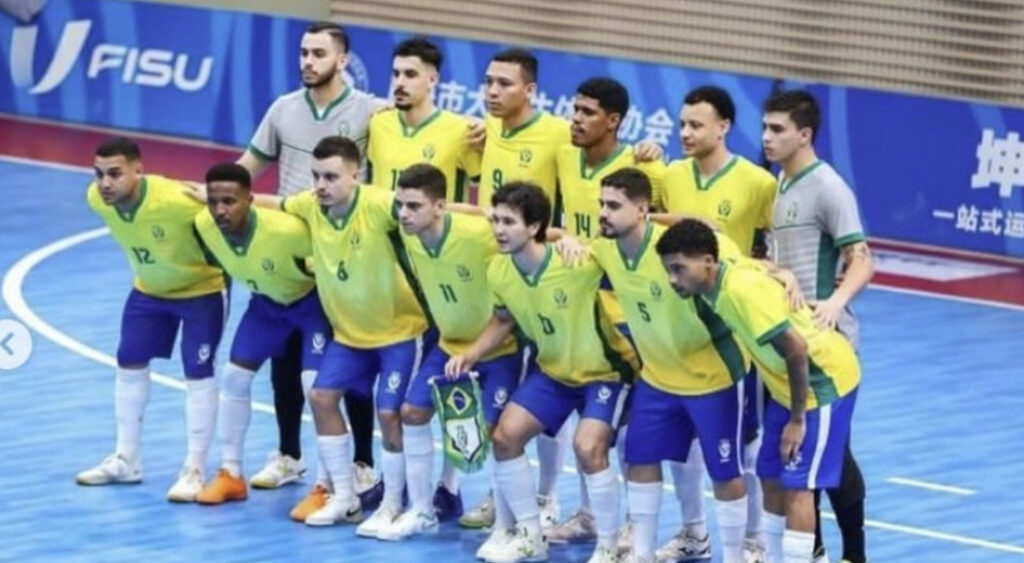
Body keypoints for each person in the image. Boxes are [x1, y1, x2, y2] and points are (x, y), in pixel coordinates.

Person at [446, 181, 639, 563]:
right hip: (553, 373)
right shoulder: (499, 270)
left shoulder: (578, 264)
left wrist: (572, 239)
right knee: (504, 437)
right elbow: (502, 319)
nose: (498, 229)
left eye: (509, 222)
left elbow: (629, 254)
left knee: (588, 448)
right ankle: (531, 534)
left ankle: (608, 547)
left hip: (605, 374)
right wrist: (471, 353)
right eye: (495, 220)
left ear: (534, 227)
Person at [252, 136, 430, 533]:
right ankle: (346, 497)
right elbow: (272, 204)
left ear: (357, 175)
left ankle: (394, 503)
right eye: (316, 176)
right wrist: (208, 197)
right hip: (350, 336)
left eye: (331, 176)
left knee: (390, 413)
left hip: (399, 333)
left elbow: (439, 214)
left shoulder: (381, 205)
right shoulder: (310, 206)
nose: (320, 184)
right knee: (321, 397)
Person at [657, 219, 861, 563]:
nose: (672, 280)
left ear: (707, 261)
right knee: (770, 476)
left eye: (679, 269)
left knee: (797, 486)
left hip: (822, 382)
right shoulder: (724, 265)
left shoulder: (740, 292)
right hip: (784, 386)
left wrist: (797, 420)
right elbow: (724, 234)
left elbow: (797, 349)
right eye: (668, 271)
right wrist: (782, 272)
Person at [237, 20, 380, 500]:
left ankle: (362, 462)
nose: (307, 62)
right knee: (285, 363)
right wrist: (214, 194)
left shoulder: (370, 114)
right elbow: (248, 168)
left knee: (349, 364)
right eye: (303, 52)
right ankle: (288, 456)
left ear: (342, 60)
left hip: (345, 257)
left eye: (318, 54)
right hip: (288, 258)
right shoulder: (283, 109)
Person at [591, 169, 750, 563]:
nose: (603, 213)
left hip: (713, 378)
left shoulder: (678, 249)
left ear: (643, 210)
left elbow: (742, 268)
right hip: (658, 378)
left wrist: (781, 273)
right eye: (601, 205)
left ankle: (734, 555)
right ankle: (642, 554)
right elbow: (557, 241)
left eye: (613, 206)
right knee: (640, 459)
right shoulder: (604, 250)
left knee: (725, 472)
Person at [659, 85, 777, 562]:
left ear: (724, 127)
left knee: (743, 447)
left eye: (696, 125)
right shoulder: (668, 175)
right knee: (679, 446)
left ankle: (752, 539)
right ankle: (693, 532)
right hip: (677, 333)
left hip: (734, 337)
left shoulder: (756, 183)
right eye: (682, 124)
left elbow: (776, 248)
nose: (685, 133)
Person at [548, 76, 666, 547]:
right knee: (587, 420)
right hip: (582, 310)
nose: (575, 119)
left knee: (637, 426)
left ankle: (641, 524)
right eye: (574, 110)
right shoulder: (561, 154)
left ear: (614, 121)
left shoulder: (642, 168)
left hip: (634, 316)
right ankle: (593, 514)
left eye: (587, 112)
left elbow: (671, 232)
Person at [377, 163, 525, 539]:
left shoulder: (479, 235)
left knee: (494, 435)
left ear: (440, 206)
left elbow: (530, 235)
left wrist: (568, 240)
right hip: (448, 346)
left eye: (414, 206)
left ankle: (507, 526)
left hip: (500, 349)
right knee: (411, 412)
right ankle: (424, 509)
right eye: (400, 205)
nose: (404, 215)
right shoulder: (409, 235)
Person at [76, 138, 225, 504]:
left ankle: (194, 469)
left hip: (201, 291)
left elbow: (228, 215)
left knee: (198, 372)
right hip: (149, 291)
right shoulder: (96, 199)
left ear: (138, 170)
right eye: (99, 174)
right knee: (128, 362)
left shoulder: (176, 201)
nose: (105, 183)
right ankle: (127, 460)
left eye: (114, 173)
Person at [763, 89, 873, 563]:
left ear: (805, 135)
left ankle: (852, 551)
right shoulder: (780, 184)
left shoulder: (828, 187)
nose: (766, 137)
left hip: (829, 345)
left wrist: (835, 301)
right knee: (816, 459)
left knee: (827, 458)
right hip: (791, 340)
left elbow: (863, 258)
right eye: (766, 128)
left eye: (777, 130)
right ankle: (820, 549)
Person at [186, 163, 330, 508]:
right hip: (266, 306)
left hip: (311, 304)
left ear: (250, 200)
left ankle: (328, 486)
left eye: (230, 202)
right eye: (214, 201)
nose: (221, 210)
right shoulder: (204, 225)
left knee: (316, 387)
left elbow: (331, 254)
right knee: (233, 378)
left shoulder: (287, 230)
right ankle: (231, 474)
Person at [367, 37, 480, 200]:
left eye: (410, 75)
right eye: (396, 74)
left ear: (432, 80)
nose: (399, 82)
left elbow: (485, 189)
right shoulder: (378, 123)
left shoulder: (461, 131)